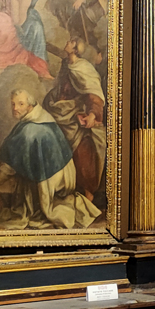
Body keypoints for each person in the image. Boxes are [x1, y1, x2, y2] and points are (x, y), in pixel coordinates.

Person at [0, 89, 101, 229]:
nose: (15, 108)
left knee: (32, 207)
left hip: (53, 179)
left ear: (29, 106)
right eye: (13, 104)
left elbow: (10, 165)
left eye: (20, 104)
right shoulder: (42, 116)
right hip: (63, 174)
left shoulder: (29, 130)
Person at [42, 37, 106, 201]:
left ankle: (88, 194)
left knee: (82, 152)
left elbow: (94, 94)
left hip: (73, 114)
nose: (67, 42)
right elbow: (55, 50)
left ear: (75, 49)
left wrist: (93, 113)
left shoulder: (83, 67)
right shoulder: (66, 63)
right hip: (58, 110)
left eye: (70, 42)